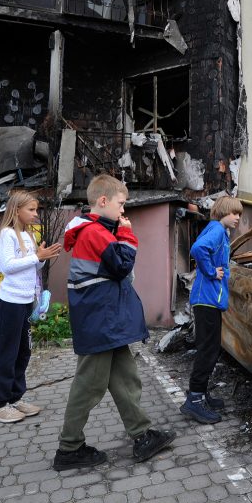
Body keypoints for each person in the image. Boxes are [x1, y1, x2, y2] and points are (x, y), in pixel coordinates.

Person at [52, 174, 176, 470]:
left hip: (106, 321)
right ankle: (69, 449)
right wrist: (128, 235)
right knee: (89, 385)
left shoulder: (95, 230)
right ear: (103, 201)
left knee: (125, 379)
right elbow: (121, 266)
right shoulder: (95, 232)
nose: (124, 211)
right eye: (121, 204)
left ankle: (142, 435)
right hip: (101, 321)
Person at [0, 191, 61, 423]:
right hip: (9, 303)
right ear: (16, 210)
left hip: (25, 302)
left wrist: (41, 258)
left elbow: (32, 269)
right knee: (6, 353)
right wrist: (36, 257)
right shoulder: (7, 235)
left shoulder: (28, 236)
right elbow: (8, 267)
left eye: (36, 209)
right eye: (31, 209)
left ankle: (15, 398)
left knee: (23, 352)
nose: (35, 214)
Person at [180, 196, 244, 424]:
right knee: (208, 350)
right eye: (234, 213)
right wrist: (209, 271)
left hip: (208, 300)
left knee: (210, 348)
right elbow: (198, 249)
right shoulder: (217, 229)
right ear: (223, 212)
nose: (237, 218)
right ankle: (194, 401)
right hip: (206, 300)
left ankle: (201, 393)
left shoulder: (218, 231)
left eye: (239, 214)